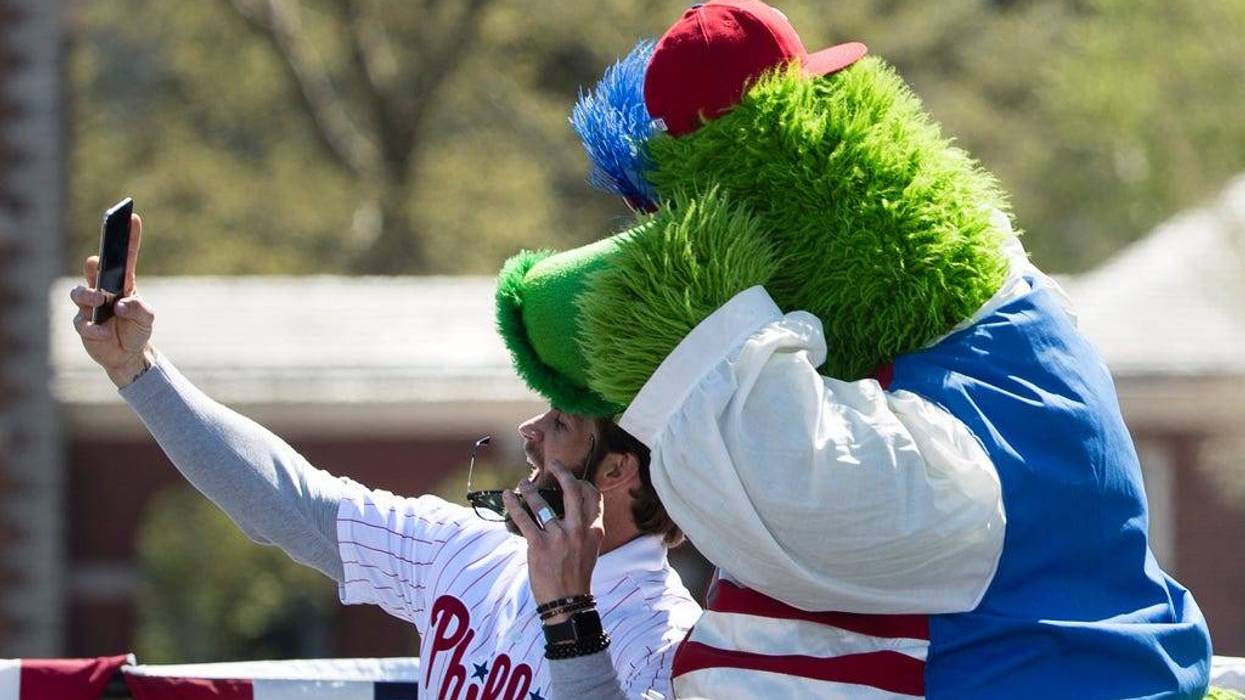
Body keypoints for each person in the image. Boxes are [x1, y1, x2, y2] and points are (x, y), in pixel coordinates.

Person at [68, 213, 700, 700]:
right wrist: (137, 370)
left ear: (617, 470)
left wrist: (569, 612)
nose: (529, 430)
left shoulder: (671, 638)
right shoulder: (468, 551)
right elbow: (292, 503)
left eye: (560, 421)